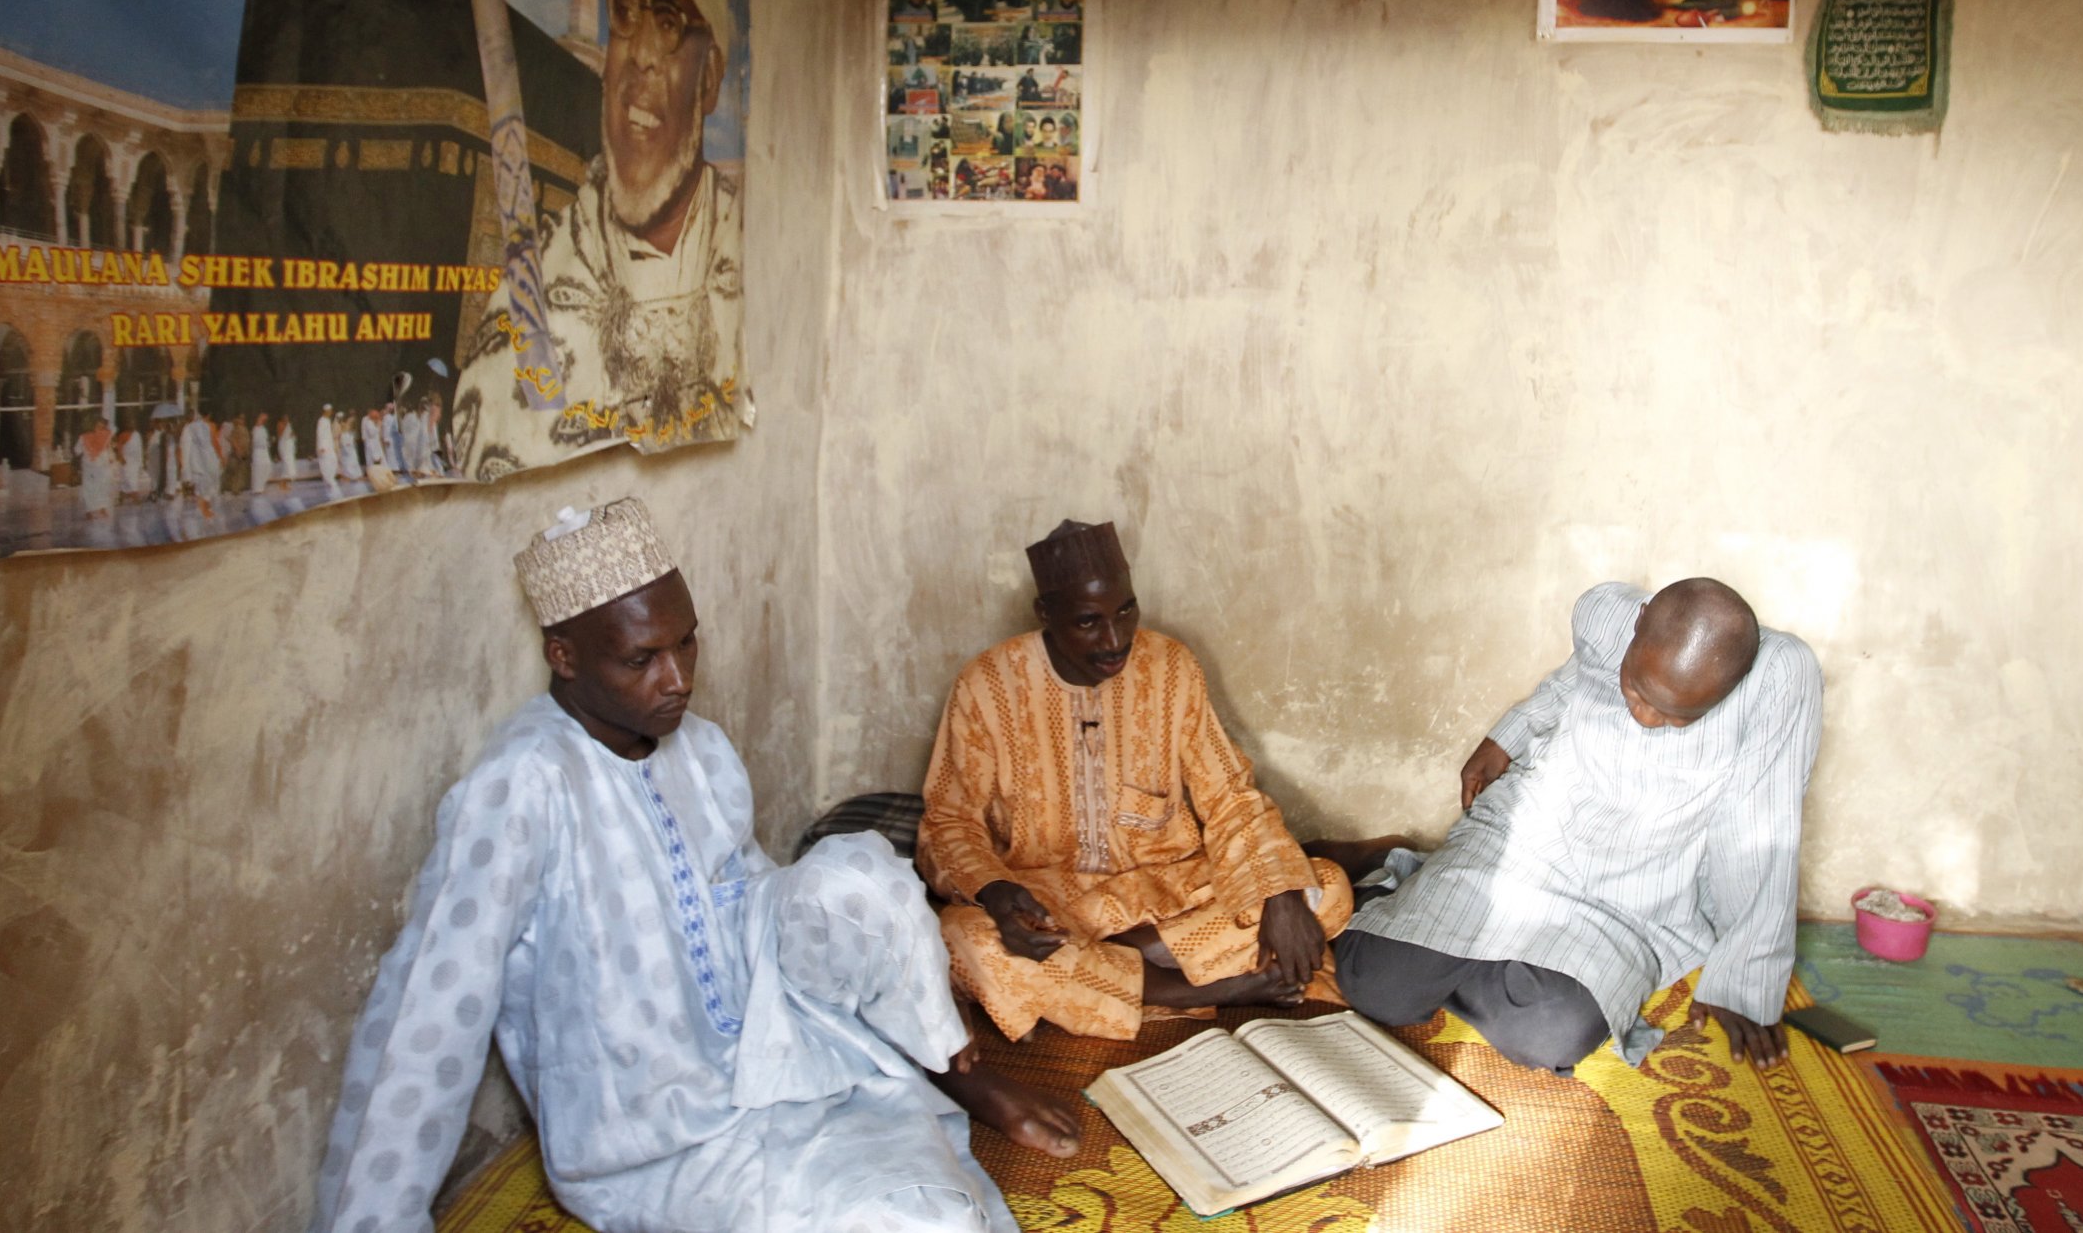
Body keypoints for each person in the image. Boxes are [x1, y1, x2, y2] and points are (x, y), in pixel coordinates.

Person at [310, 498, 1078, 1233]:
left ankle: (948, 1064)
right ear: (564, 655)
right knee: (910, 1212)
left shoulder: (699, 747)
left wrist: (849, 909)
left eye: (686, 642)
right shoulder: (520, 788)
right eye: (641, 658)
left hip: (773, 1046)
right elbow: (427, 1015)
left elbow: (748, 904)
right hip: (654, 1126)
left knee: (859, 874)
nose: (678, 678)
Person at [1334, 579, 1821, 1075]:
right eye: (1635, 689)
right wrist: (1506, 737)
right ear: (1638, 623)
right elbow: (1571, 681)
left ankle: (1460, 941)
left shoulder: (1777, 679)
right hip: (1529, 841)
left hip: (1634, 891)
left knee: (1550, 1037)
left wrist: (1742, 986)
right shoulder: (1605, 614)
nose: (1647, 717)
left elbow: (1760, 831)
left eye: (1676, 717)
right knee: (1373, 987)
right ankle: (1441, 917)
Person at [919, 519, 1357, 1042]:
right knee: (960, 940)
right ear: (1046, 614)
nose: (1114, 638)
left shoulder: (1171, 666)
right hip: (1053, 904)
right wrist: (994, 891)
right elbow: (949, 820)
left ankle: (1106, 975)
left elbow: (1229, 795)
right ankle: (1211, 990)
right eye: (1088, 622)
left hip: (1169, 888)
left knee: (1324, 889)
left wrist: (1280, 894)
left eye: (1126, 611)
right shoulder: (986, 685)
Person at [452, 0, 746, 480]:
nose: (638, 53)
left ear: (710, 77)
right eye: (623, 11)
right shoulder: (537, 293)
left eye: (667, 22)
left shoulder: (743, 245)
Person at [179, 407, 221, 519]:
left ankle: (206, 511)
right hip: (196, 464)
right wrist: (185, 468)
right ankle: (204, 512)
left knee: (206, 488)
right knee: (201, 489)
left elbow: (208, 444)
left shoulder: (199, 427)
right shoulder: (187, 430)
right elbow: (184, 450)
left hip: (204, 462)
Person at [77, 417, 117, 521]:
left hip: (102, 466)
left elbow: (109, 446)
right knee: (89, 488)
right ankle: (89, 511)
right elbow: (77, 450)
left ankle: (101, 508)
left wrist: (110, 458)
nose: (99, 429)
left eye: (102, 427)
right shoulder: (83, 437)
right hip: (88, 467)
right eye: (98, 426)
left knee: (102, 487)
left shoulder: (105, 436)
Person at [314, 404, 339, 497]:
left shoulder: (327, 420)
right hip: (324, 447)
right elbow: (320, 434)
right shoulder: (321, 421)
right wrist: (321, 447)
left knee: (333, 461)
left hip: (329, 446)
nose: (331, 412)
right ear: (326, 411)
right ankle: (329, 481)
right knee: (325, 464)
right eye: (330, 410)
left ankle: (330, 480)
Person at [251, 413, 273, 495]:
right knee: (258, 469)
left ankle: (262, 486)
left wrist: (268, 443)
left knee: (267, 466)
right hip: (258, 451)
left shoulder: (264, 429)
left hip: (265, 451)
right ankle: (257, 489)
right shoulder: (255, 429)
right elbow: (256, 441)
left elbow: (266, 439)